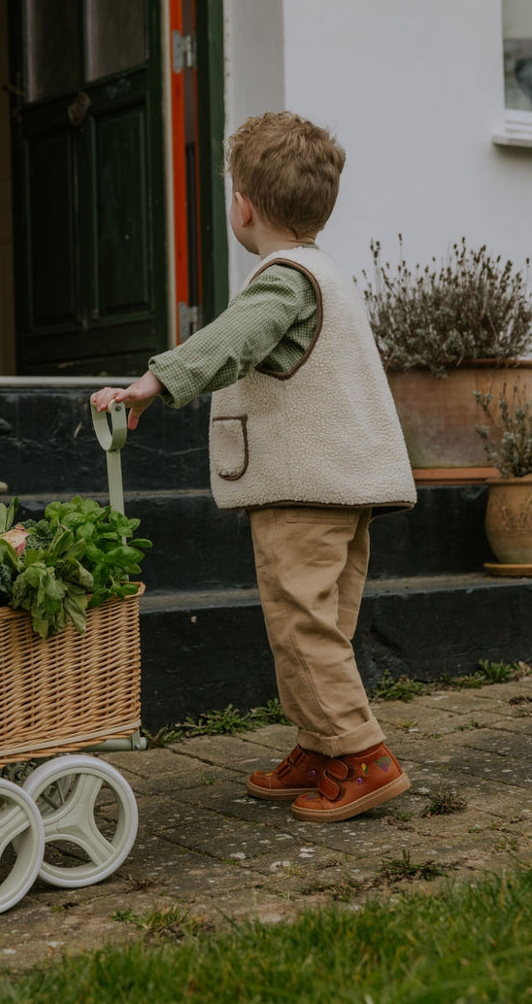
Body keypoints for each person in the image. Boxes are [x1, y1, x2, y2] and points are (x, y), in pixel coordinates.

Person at [91, 110, 417, 823]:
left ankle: (364, 757)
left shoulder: (282, 281)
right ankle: (322, 745)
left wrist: (154, 381)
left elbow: (234, 340)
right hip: (347, 487)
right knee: (321, 625)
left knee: (301, 628)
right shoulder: (326, 272)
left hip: (304, 494)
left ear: (243, 205)